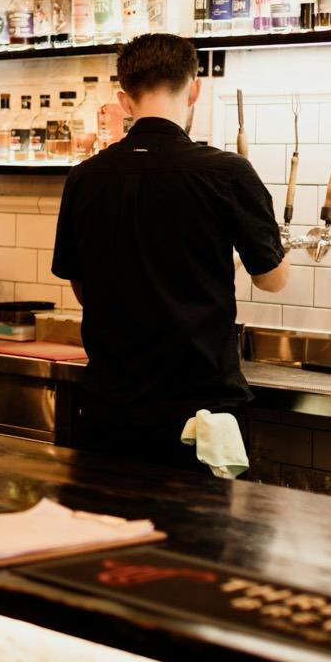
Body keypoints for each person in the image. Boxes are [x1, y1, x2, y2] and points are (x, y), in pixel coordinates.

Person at [51, 33, 290, 466]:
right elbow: (272, 280)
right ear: (194, 89)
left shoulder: (85, 178)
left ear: (124, 101)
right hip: (201, 413)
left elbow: (81, 286)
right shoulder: (228, 173)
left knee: (108, 527)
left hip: (111, 408)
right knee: (204, 532)